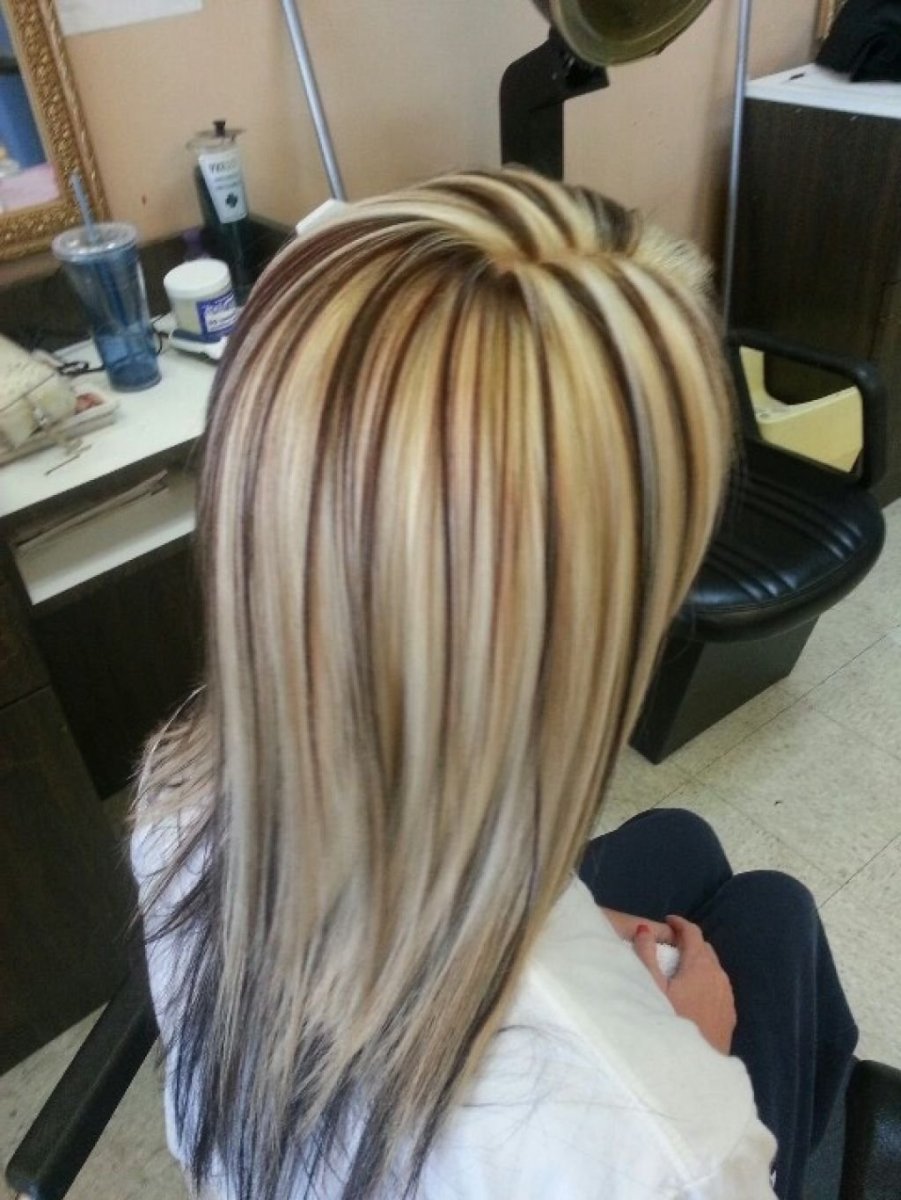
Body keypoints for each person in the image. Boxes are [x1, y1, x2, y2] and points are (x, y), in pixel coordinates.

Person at [131, 167, 857, 1200]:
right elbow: (645, 1143)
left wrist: (565, 939)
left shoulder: (178, 785)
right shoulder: (663, 1154)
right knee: (774, 916)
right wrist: (691, 1060)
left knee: (682, 842)